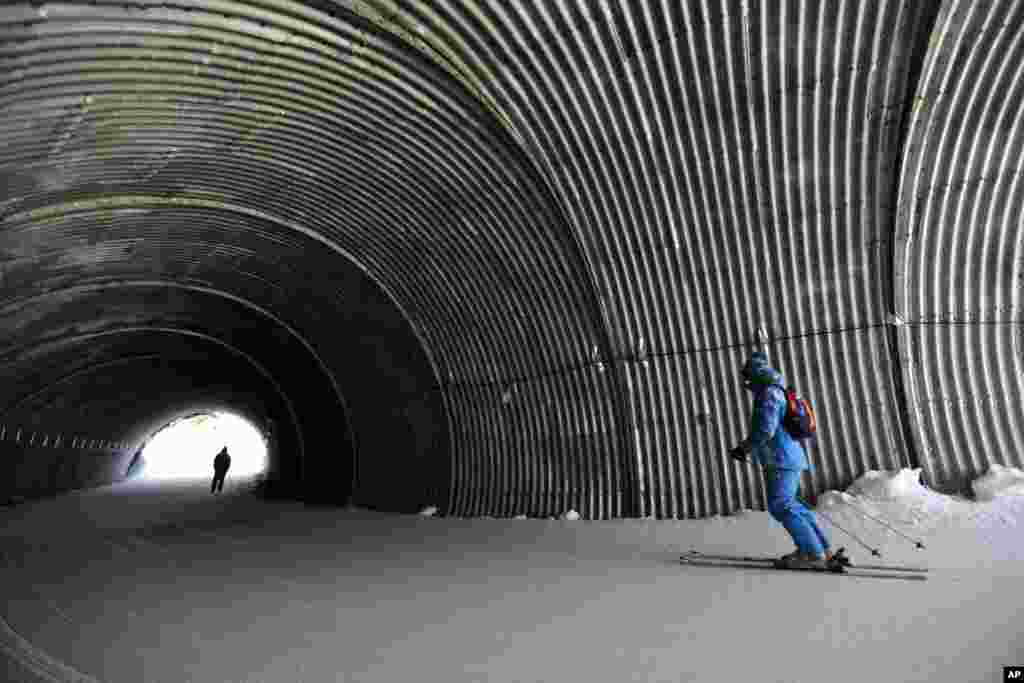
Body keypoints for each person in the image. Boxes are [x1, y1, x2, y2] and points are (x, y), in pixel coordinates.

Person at [729, 351, 832, 569]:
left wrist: (744, 448)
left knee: (781, 506)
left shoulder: (768, 394)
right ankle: (821, 548)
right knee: (793, 505)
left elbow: (765, 429)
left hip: (780, 459)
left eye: (747, 376)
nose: (746, 382)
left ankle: (813, 554)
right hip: (788, 457)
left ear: (755, 375)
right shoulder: (779, 390)